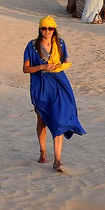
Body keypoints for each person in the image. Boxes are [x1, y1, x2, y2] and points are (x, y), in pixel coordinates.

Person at [22, 16, 85, 172]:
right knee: (42, 120)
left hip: (59, 83)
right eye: (44, 28)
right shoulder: (32, 46)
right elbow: (25, 69)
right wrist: (42, 66)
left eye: (50, 28)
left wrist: (60, 65)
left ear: (54, 29)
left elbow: (65, 61)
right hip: (40, 85)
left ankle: (57, 160)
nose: (47, 31)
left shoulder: (61, 44)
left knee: (60, 118)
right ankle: (43, 151)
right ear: (40, 29)